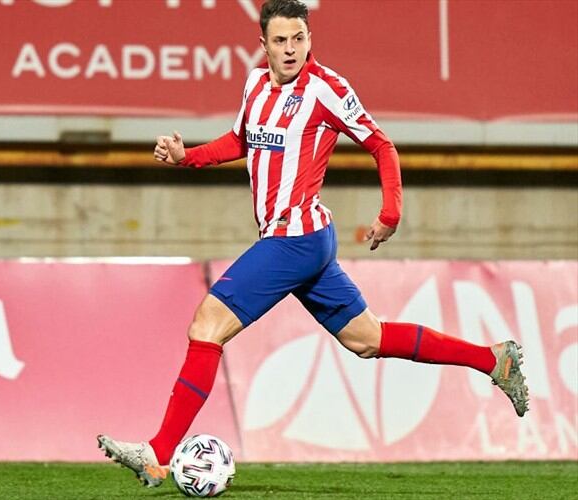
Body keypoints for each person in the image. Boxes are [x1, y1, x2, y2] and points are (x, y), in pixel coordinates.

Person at [97, 0, 529, 488]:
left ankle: (158, 453)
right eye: (279, 41)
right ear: (262, 45)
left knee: (206, 325)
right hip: (302, 240)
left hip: (295, 238)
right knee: (367, 339)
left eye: (298, 39)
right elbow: (242, 141)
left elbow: (380, 144)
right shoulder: (255, 85)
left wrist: (391, 213)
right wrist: (187, 157)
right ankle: (493, 359)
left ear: (309, 40)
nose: (289, 49)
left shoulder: (327, 89)